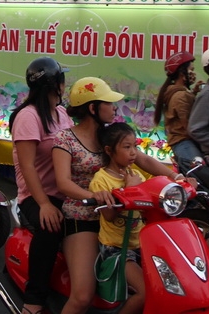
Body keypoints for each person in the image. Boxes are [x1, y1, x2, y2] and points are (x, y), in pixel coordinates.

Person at [53, 77, 178, 314]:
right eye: (109, 103)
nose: (114, 108)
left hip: (122, 215)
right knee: (82, 296)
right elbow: (63, 183)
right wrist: (95, 195)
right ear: (92, 108)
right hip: (85, 219)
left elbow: (145, 160)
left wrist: (176, 179)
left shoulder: (109, 137)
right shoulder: (65, 139)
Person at [10, 57, 71, 314]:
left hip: (64, 191)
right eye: (62, 80)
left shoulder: (62, 113)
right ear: (52, 85)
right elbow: (27, 166)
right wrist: (44, 204)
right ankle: (33, 301)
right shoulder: (28, 116)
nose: (65, 85)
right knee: (51, 227)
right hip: (36, 195)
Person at [89, 123, 151, 314]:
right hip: (116, 248)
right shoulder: (101, 180)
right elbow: (108, 215)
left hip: (140, 244)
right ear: (109, 150)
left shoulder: (137, 174)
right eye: (126, 147)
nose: (133, 152)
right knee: (146, 292)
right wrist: (128, 190)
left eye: (135, 146)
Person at [154, 51, 204, 172]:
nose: (193, 73)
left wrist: (194, 92)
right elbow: (189, 125)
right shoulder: (181, 96)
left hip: (182, 144)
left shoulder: (178, 91)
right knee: (199, 175)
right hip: (185, 144)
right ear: (182, 73)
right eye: (191, 69)